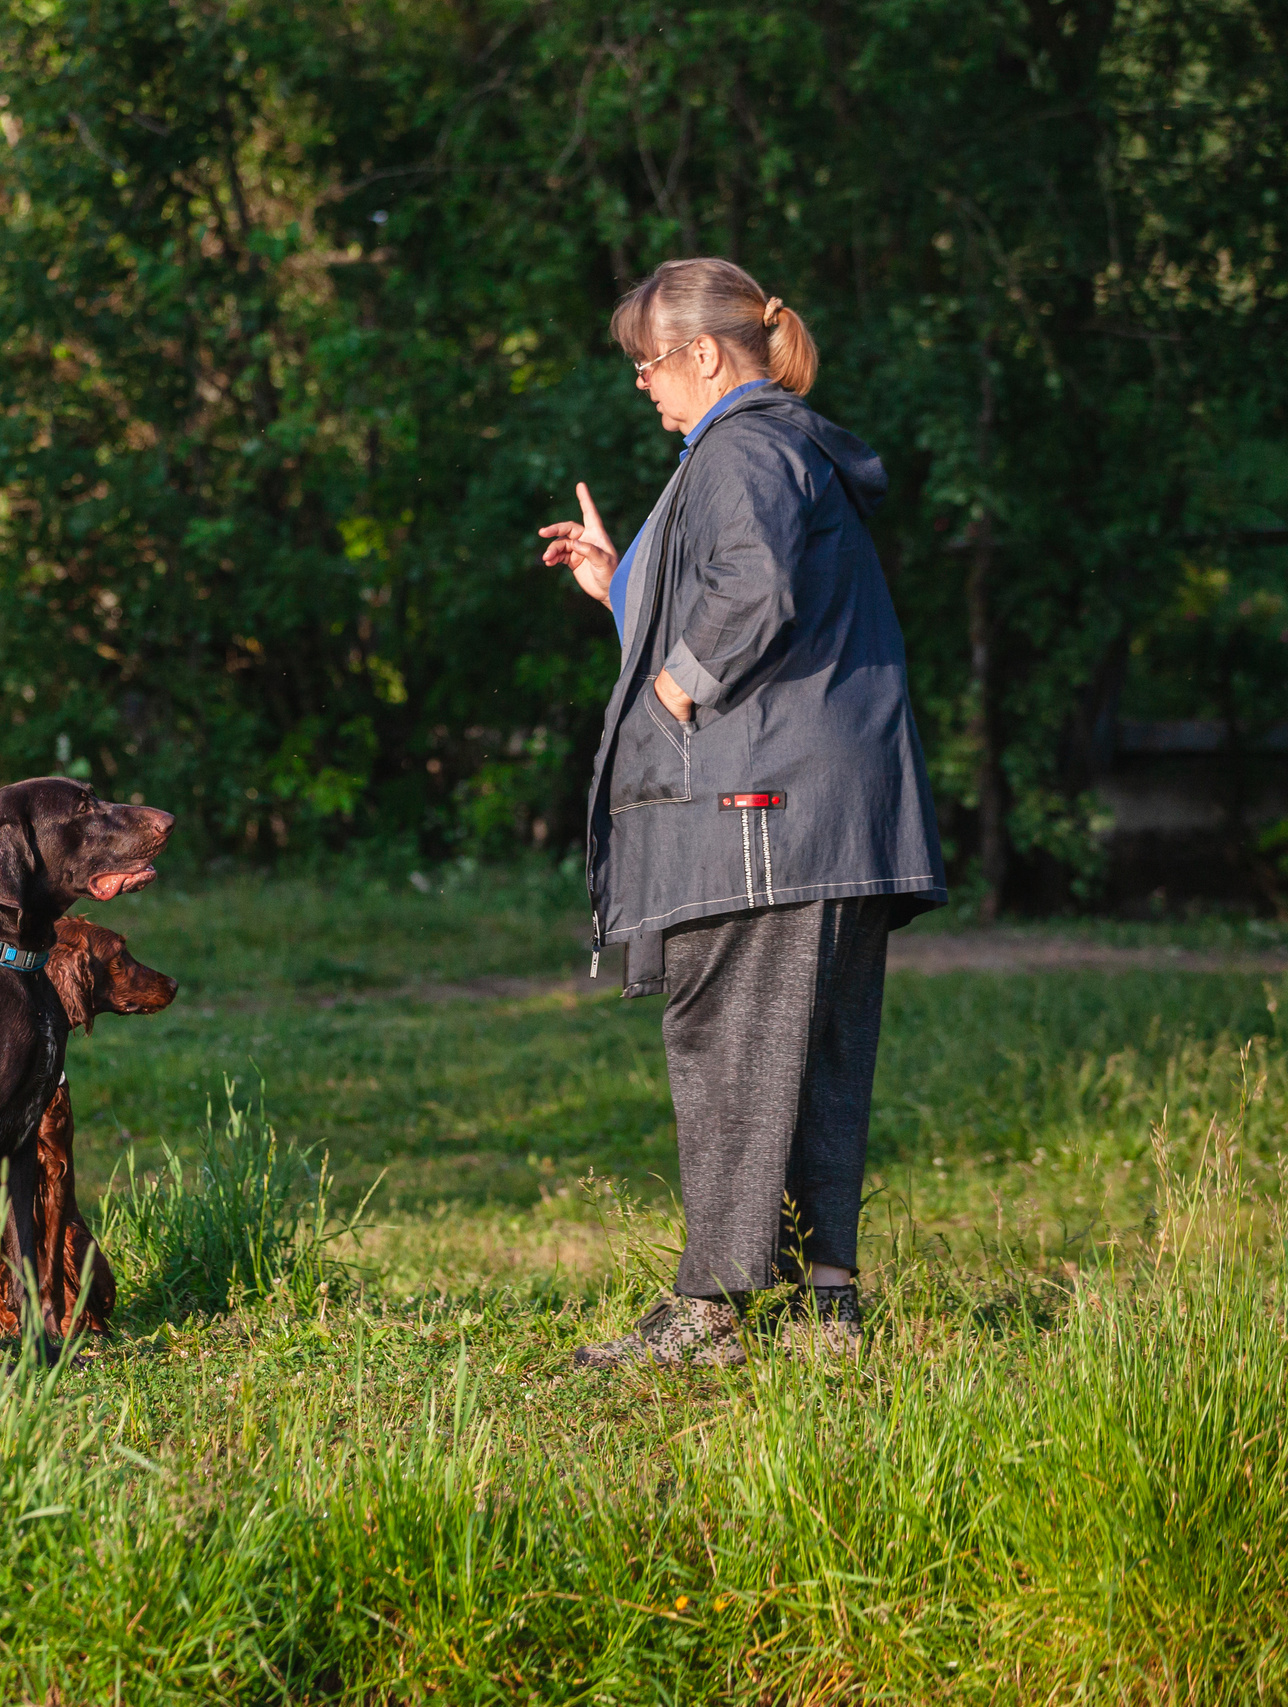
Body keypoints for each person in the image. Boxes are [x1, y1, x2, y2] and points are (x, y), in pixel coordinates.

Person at [538, 258, 945, 1367]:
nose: (640, 383)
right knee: (809, 1053)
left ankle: (710, 1311)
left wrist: (673, 690)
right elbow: (751, 582)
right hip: (828, 813)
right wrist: (621, 581)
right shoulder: (784, 444)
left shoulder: (742, 445)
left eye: (647, 362)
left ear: (705, 354)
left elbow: (754, 587)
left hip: (762, 810)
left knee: (727, 1042)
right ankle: (823, 1308)